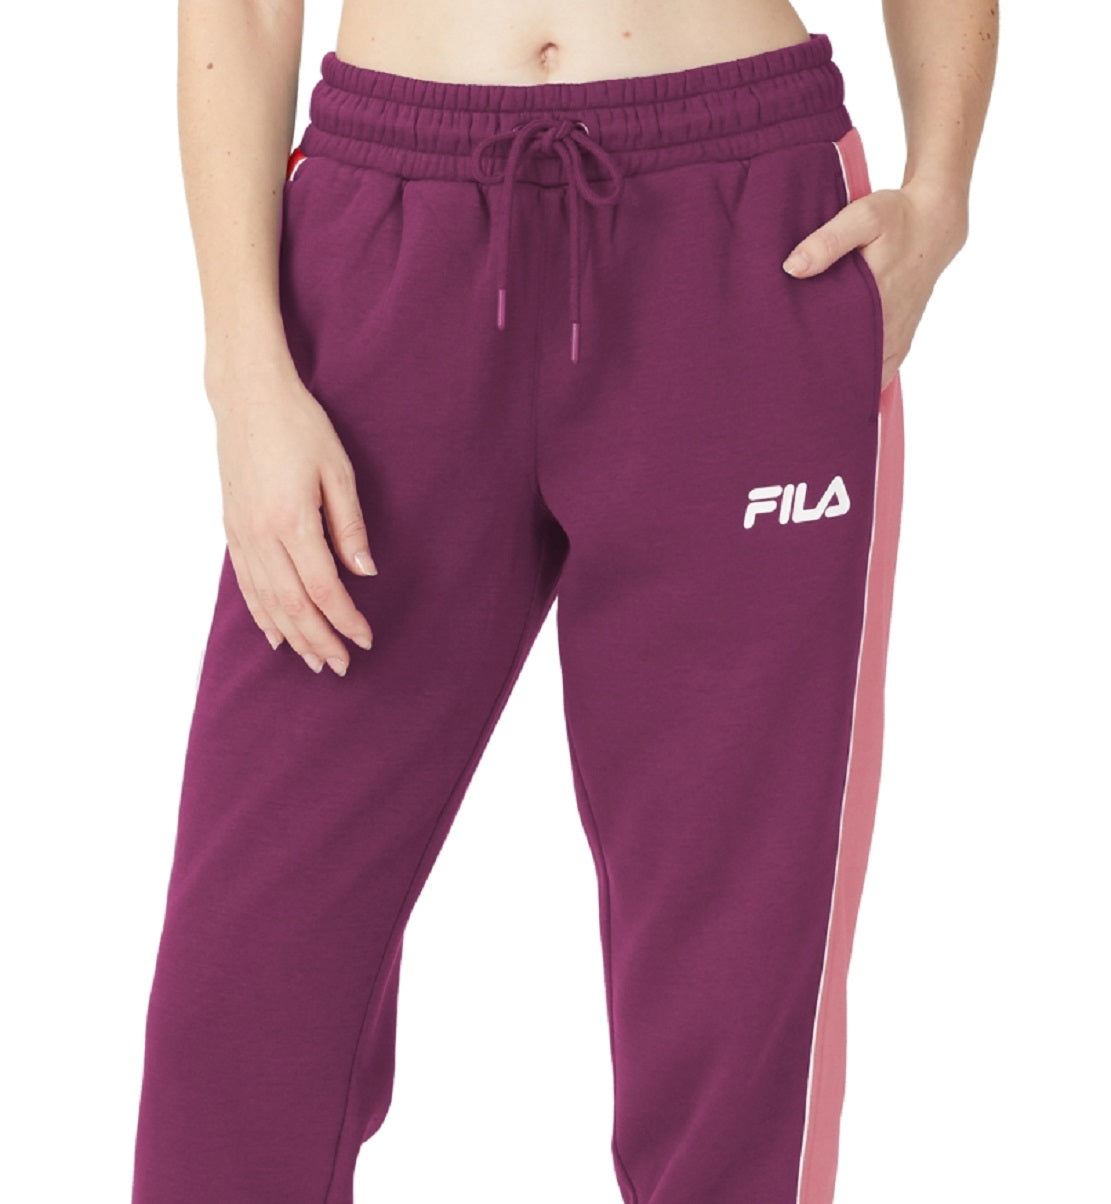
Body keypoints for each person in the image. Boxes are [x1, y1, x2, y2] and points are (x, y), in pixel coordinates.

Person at [132, 0, 997, 1200]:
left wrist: (940, 191)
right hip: (388, 224)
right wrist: (242, 367)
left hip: (740, 224)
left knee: (734, 969)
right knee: (248, 971)